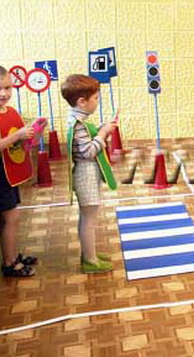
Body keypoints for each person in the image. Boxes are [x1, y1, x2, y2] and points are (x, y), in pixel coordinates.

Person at [61, 74, 117, 274]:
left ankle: (88, 254)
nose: (97, 102)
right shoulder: (78, 124)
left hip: (86, 173)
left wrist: (102, 129)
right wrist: (103, 133)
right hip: (86, 174)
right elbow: (88, 152)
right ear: (82, 101)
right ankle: (90, 260)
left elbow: (86, 140)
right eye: (95, 98)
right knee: (89, 221)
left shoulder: (76, 119)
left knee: (86, 218)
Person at [0, 64, 37, 277]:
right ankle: (10, 263)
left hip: (8, 173)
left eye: (7, 88)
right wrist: (17, 136)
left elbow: (18, 144)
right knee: (12, 217)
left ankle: (10, 255)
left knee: (7, 217)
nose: (3, 93)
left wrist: (32, 134)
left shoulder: (10, 112)